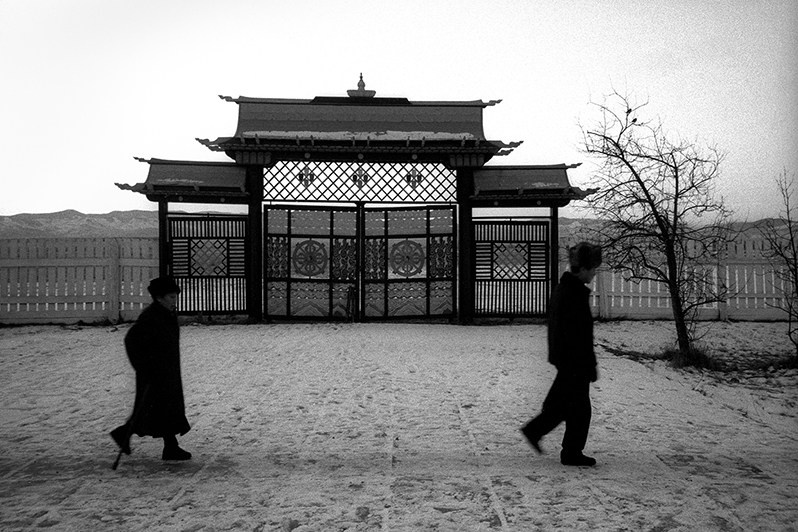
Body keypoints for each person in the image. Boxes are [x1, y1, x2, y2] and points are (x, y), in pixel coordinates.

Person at [521, 242, 602, 467]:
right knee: (577, 408)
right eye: (593, 268)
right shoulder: (573, 293)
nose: (595, 273)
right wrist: (589, 363)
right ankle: (567, 450)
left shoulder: (566, 289)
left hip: (568, 358)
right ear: (583, 268)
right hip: (574, 360)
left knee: (565, 404)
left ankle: (540, 434)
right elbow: (580, 334)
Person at [110, 275, 192, 462]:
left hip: (167, 371)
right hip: (154, 374)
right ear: (159, 298)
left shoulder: (167, 314)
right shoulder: (151, 317)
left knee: (164, 409)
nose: (175, 301)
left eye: (175, 296)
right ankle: (125, 433)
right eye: (171, 297)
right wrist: (144, 367)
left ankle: (170, 447)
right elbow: (131, 341)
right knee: (151, 409)